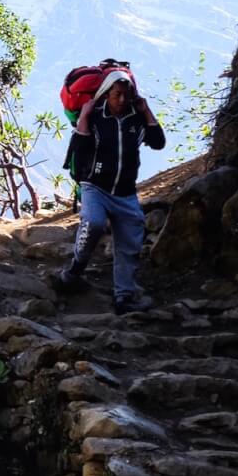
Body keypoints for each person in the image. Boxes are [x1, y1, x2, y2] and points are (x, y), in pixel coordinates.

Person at [51, 71, 165, 313]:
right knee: (92, 223)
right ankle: (75, 269)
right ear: (106, 94)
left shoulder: (136, 120)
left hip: (125, 193)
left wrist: (146, 111)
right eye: (116, 95)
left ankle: (123, 296)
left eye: (126, 95)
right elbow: (79, 148)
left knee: (130, 243)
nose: (121, 100)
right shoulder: (95, 118)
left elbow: (158, 142)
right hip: (95, 187)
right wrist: (84, 116)